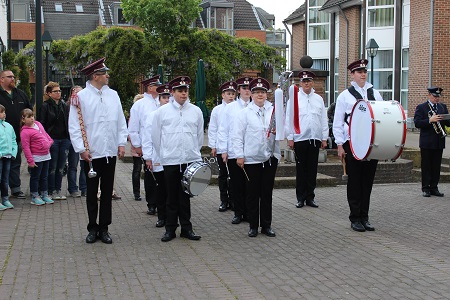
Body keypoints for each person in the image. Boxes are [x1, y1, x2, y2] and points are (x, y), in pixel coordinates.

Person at [68, 58, 128, 244]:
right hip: (91, 153)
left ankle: (104, 228)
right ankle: (92, 227)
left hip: (109, 152)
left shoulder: (114, 95)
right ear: (96, 76)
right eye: (105, 73)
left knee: (108, 191)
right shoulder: (81, 97)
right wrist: (81, 149)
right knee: (92, 192)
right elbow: (74, 125)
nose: (108, 76)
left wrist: (121, 143)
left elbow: (120, 121)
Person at [333, 59, 383, 232]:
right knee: (354, 181)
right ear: (352, 74)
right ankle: (355, 217)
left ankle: (365, 216)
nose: (363, 74)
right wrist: (340, 144)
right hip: (352, 143)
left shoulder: (375, 94)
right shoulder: (345, 96)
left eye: (364, 71)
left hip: (371, 144)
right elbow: (337, 122)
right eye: (359, 71)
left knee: (367, 182)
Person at [151, 76, 203, 242]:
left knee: (185, 196)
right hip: (171, 160)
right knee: (171, 196)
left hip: (189, 159)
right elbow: (156, 137)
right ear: (172, 92)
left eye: (186, 90)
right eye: (180, 91)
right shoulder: (161, 112)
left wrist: (194, 152)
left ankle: (187, 228)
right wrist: (165, 154)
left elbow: (199, 136)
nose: (183, 94)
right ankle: (170, 229)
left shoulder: (196, 111)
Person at [231, 77, 280, 237]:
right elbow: (237, 136)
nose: (260, 95)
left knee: (267, 193)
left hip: (270, 157)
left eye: (263, 92)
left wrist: (278, 131)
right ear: (251, 94)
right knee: (252, 194)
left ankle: (266, 225)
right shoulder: (244, 113)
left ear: (267, 95)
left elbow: (284, 130)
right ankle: (253, 225)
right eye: (257, 92)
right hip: (251, 159)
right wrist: (239, 155)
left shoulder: (274, 111)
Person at [286, 71, 328, 208]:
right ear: (300, 83)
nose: (306, 83)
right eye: (304, 81)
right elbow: (289, 119)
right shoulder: (294, 99)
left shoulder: (319, 99)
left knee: (312, 170)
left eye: (309, 81)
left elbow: (323, 119)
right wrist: (290, 137)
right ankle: (300, 198)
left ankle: (310, 197)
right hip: (300, 138)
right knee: (301, 169)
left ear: (312, 83)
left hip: (314, 138)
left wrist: (324, 137)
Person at [217, 77, 252, 224]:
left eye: (249, 88)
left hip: (251, 152)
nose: (246, 91)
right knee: (236, 184)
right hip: (233, 151)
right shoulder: (230, 108)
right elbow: (223, 130)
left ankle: (249, 212)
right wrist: (223, 150)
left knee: (249, 185)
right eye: (243, 88)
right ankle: (238, 212)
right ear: (239, 90)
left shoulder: (255, 106)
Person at [129, 75, 161, 214]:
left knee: (162, 176)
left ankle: (162, 202)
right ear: (150, 87)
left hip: (162, 145)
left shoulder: (164, 101)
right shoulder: (139, 105)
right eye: (157, 85)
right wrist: (138, 145)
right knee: (150, 174)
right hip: (147, 144)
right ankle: (151, 203)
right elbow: (133, 127)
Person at [0, 70, 32, 199]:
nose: (13, 79)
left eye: (13, 76)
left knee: (15, 163)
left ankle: (15, 188)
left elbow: (29, 112)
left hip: (17, 137)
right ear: (1, 79)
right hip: (1, 138)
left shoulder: (20, 94)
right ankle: (3, 192)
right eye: (9, 77)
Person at [142, 84, 171, 227]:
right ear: (158, 99)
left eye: (168, 97)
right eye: (163, 97)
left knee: (173, 189)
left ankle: (172, 216)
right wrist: (148, 157)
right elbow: (147, 138)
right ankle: (162, 216)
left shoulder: (175, 114)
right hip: (158, 157)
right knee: (161, 187)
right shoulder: (153, 116)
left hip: (173, 157)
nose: (166, 100)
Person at [414, 86, 449, 197]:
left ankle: (434, 187)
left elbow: (448, 123)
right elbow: (417, 123)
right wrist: (430, 120)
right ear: (429, 95)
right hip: (427, 142)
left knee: (436, 166)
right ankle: (426, 188)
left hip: (439, 141)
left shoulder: (443, 107)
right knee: (426, 166)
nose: (436, 99)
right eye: (434, 96)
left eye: (438, 97)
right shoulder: (422, 107)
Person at [208, 80, 237, 212]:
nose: (231, 96)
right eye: (228, 93)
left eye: (232, 93)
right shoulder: (217, 110)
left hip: (234, 147)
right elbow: (213, 129)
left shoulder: (238, 108)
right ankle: (223, 200)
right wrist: (213, 146)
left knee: (234, 176)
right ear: (223, 95)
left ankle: (233, 200)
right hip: (221, 147)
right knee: (223, 174)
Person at [39, 81, 71, 200]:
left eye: (59, 91)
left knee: (61, 167)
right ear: (49, 93)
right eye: (55, 91)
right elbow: (42, 124)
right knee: (52, 167)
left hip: (64, 139)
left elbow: (68, 121)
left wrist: (68, 138)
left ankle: (58, 189)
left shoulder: (64, 105)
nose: (58, 93)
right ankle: (50, 190)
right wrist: (46, 139)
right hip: (52, 139)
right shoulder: (45, 106)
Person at [20, 108, 54, 205]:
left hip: (46, 155)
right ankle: (35, 195)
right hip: (36, 157)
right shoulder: (25, 132)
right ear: (23, 120)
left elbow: (45, 134)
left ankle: (44, 194)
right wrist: (30, 160)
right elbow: (26, 147)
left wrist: (49, 141)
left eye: (32, 116)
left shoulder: (38, 124)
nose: (32, 119)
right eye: (29, 117)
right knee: (35, 177)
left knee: (44, 176)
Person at [66, 86, 87, 197]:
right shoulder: (68, 106)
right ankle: (73, 188)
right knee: (73, 165)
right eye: (76, 91)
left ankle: (84, 188)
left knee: (84, 165)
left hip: (85, 139)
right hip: (73, 139)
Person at [0, 104, 18, 210]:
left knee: (5, 179)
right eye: (2, 112)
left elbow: (13, 140)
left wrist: (13, 152)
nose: (4, 114)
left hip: (7, 156)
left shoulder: (8, 126)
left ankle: (5, 198)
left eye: (4, 112)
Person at [129, 93, 144, 201]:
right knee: (137, 169)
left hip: (148, 145)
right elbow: (131, 131)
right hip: (136, 146)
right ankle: (136, 192)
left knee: (147, 170)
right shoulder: (133, 115)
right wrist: (136, 143)